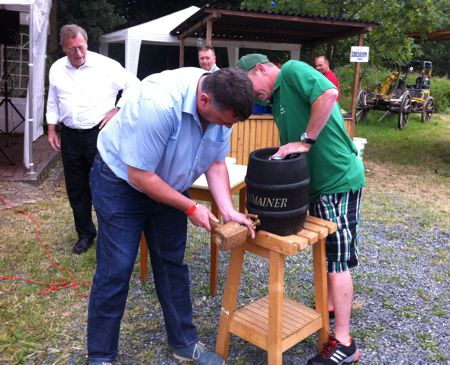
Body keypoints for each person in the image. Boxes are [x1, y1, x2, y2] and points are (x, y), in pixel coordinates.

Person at [87, 67, 256, 365]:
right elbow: (139, 175)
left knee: (172, 264)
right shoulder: (159, 103)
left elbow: (216, 163)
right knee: (117, 268)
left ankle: (184, 343)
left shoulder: (223, 105)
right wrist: (190, 207)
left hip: (167, 185)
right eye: (220, 120)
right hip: (121, 183)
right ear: (203, 100)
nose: (222, 127)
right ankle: (100, 356)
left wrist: (228, 210)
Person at [236, 54, 365, 365]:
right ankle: (332, 305)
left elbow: (328, 94)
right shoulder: (277, 97)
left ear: (261, 69)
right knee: (326, 253)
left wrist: (306, 140)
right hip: (315, 184)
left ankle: (345, 342)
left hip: (337, 178)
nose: (253, 96)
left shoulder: (292, 71)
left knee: (336, 260)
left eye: (250, 87)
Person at [46, 24, 139, 255]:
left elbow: (134, 85)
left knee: (104, 185)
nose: (78, 54)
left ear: (87, 43)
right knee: (76, 187)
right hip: (70, 136)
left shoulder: (105, 65)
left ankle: (111, 235)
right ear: (63, 48)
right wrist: (51, 128)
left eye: (81, 48)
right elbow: (53, 100)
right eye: (71, 50)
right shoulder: (57, 69)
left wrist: (117, 109)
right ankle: (85, 233)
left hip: (99, 133)